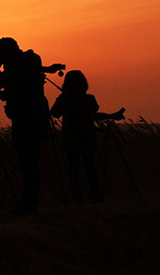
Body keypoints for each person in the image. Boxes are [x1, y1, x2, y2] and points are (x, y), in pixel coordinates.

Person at [0, 37, 54, 215]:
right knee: (29, 162)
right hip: (34, 117)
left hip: (27, 120)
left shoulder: (19, 65)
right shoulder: (29, 61)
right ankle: (29, 203)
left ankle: (29, 205)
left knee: (28, 163)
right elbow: (15, 85)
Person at [50, 70, 122, 204]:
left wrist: (64, 98)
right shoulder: (89, 99)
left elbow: (54, 113)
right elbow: (94, 113)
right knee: (90, 167)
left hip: (70, 136)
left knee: (73, 168)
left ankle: (76, 196)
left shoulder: (63, 98)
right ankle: (94, 195)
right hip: (87, 135)